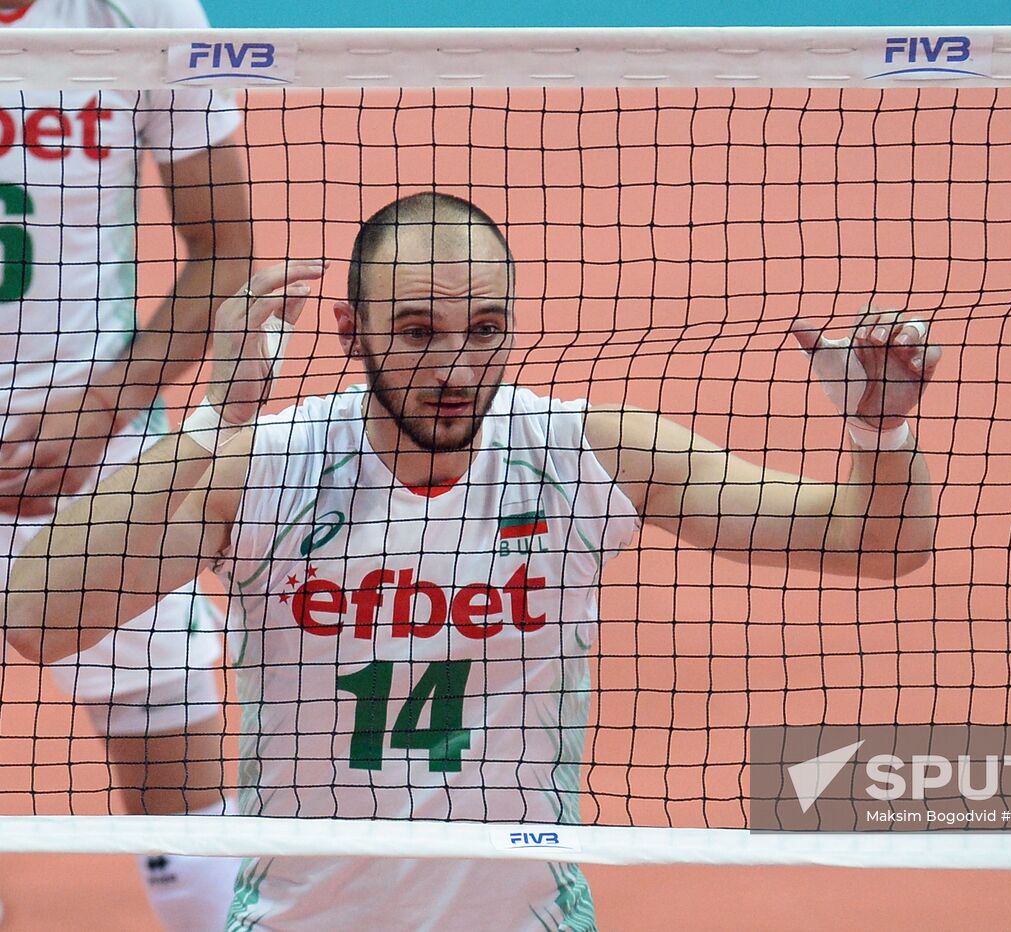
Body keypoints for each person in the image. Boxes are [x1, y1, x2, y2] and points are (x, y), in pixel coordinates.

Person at [5, 191, 937, 930]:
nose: (455, 368)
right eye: (416, 331)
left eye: (484, 329)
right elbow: (38, 617)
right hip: (302, 919)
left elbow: (876, 542)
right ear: (350, 330)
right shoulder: (266, 467)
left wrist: (881, 430)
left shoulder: (582, 457)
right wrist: (218, 415)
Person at [0, 0, 252, 928]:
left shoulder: (141, 13)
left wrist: (105, 405)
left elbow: (226, 252)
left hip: (104, 478)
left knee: (188, 821)